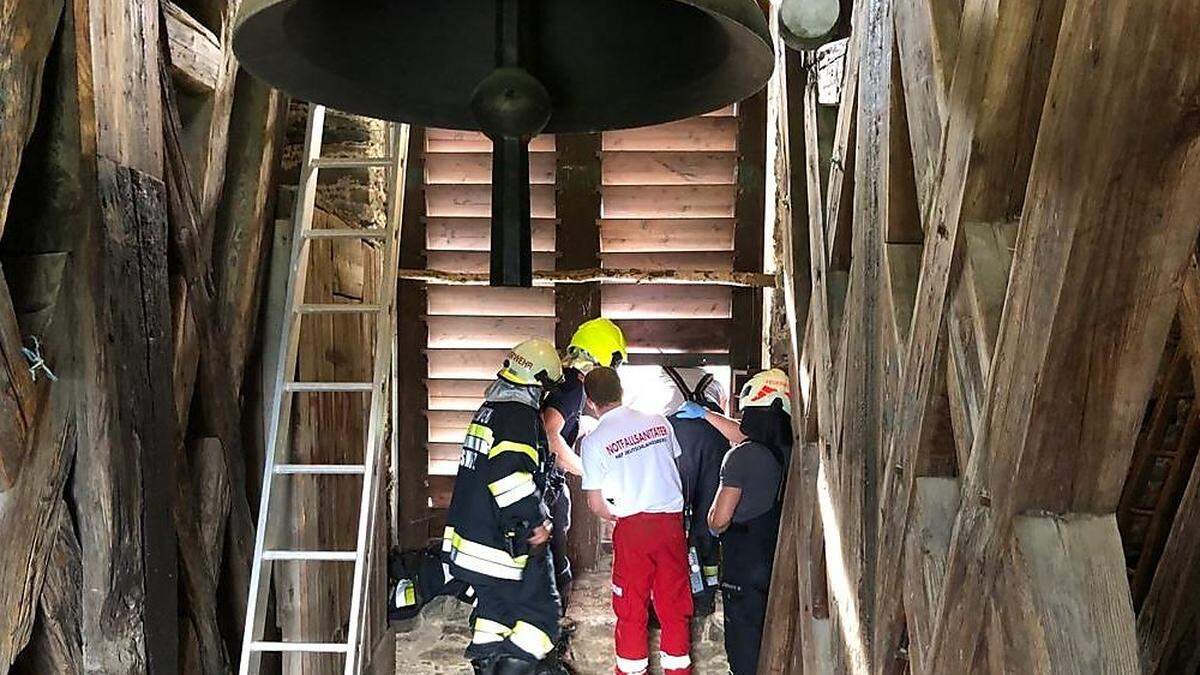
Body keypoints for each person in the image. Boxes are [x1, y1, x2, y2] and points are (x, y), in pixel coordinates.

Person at [442, 338, 566, 675]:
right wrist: (536, 522)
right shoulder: (518, 417)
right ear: (538, 382)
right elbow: (509, 478)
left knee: (493, 620)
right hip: (497, 548)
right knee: (540, 624)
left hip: (470, 543)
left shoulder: (489, 410)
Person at [580, 367, 694, 675]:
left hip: (632, 529)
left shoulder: (593, 442)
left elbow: (595, 502)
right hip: (671, 525)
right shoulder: (659, 422)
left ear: (590, 402)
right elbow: (672, 464)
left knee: (631, 609)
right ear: (621, 391)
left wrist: (617, 515)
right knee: (674, 608)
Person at [680, 368, 793, 675]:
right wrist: (705, 414)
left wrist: (710, 521)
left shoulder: (740, 458)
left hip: (744, 563)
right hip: (775, 555)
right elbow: (749, 436)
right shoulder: (787, 447)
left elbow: (718, 520)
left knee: (743, 641)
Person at [541, 317, 628, 613]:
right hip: (545, 489)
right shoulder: (573, 388)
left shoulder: (561, 381)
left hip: (537, 486)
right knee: (553, 569)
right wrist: (589, 471)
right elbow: (550, 435)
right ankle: (553, 640)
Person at [661, 367, 730, 617]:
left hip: (677, 438)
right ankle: (706, 596)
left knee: (673, 517)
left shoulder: (660, 378)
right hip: (714, 437)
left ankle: (671, 596)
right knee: (708, 517)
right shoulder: (715, 382)